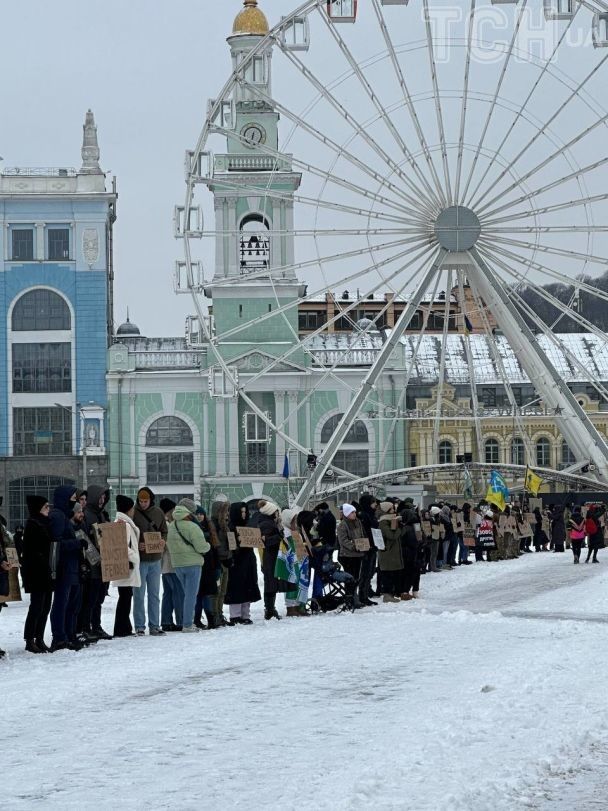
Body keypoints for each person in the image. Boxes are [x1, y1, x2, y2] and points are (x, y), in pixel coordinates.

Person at [49, 485, 87, 651]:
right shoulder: (57, 516)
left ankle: (69, 634)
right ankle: (60, 637)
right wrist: (76, 544)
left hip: (72, 567)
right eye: (72, 499)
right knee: (61, 604)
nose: (74, 502)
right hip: (64, 568)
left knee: (72, 604)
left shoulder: (64, 516)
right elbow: (55, 544)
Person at [167, 499, 210, 632]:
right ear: (189, 512)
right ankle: (187, 624)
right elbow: (202, 547)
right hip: (192, 564)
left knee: (186, 594)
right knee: (191, 595)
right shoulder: (192, 526)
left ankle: (186, 621)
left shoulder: (171, 526)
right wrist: (208, 546)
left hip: (177, 564)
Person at [132, 487, 167, 636]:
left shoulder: (158, 512)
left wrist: (162, 541)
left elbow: (164, 531)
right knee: (139, 595)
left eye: (145, 501)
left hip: (155, 560)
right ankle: (140, 626)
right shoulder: (133, 513)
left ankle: (154, 625)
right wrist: (136, 544)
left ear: (150, 500)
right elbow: (128, 534)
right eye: (141, 501)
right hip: (140, 560)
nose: (143, 504)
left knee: (154, 594)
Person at [22, 496, 55, 653]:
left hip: (46, 572)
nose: (48, 509)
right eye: (46, 507)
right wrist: (43, 561)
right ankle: (30, 640)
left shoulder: (45, 523)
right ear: (38, 509)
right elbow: (31, 551)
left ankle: (39, 638)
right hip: (36, 573)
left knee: (45, 606)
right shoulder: (33, 524)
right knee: (36, 606)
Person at [80, 484, 113, 641]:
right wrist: (95, 559)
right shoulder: (87, 515)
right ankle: (86, 628)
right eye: (100, 497)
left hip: (104, 564)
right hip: (93, 565)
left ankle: (96, 626)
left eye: (104, 497)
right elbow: (84, 540)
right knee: (90, 599)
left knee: (99, 598)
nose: (102, 500)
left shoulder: (102, 515)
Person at [224, 502, 261, 625]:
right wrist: (238, 545)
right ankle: (235, 615)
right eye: (241, 512)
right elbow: (230, 545)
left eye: (245, 512)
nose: (244, 514)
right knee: (236, 587)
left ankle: (245, 614)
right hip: (236, 561)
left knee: (248, 585)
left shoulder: (248, 525)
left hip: (248, 559)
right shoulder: (231, 527)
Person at [112, 495, 141, 637]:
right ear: (129, 509)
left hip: (123, 565)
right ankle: (121, 628)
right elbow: (123, 545)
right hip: (126, 566)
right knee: (125, 598)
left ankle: (124, 626)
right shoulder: (125, 524)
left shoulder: (120, 521)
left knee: (125, 597)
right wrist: (135, 557)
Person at [252, 501, 283, 621]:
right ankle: (270, 609)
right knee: (270, 582)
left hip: (270, 556)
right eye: (276, 511)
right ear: (271, 512)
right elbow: (266, 541)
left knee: (271, 582)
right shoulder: (267, 523)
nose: (278, 514)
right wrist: (279, 536)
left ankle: (270, 607)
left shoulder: (268, 522)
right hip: (270, 557)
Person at [159, 498, 183, 632]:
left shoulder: (164, 523)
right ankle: (180, 620)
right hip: (172, 564)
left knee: (167, 593)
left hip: (165, 565)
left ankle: (166, 621)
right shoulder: (168, 525)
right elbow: (170, 544)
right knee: (178, 592)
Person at [193, 505, 218, 629]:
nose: (199, 516)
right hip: (198, 564)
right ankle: (197, 619)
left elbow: (215, 549)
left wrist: (217, 566)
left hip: (209, 566)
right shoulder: (193, 528)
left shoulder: (210, 528)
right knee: (198, 594)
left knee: (207, 594)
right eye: (197, 514)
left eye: (201, 514)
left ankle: (211, 619)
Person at [209, 500, 233, 626]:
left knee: (223, 591)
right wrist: (225, 556)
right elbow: (217, 545)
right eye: (225, 511)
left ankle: (220, 613)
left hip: (225, 562)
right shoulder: (213, 525)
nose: (227, 513)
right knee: (216, 591)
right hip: (218, 562)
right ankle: (215, 615)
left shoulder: (224, 524)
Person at [336, 504, 366, 597]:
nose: (354, 514)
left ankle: (354, 596)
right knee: (349, 577)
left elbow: (362, 535)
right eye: (352, 512)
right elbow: (343, 540)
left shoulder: (358, 522)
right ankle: (350, 597)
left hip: (358, 554)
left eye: (355, 512)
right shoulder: (342, 525)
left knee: (356, 577)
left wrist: (364, 544)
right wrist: (354, 546)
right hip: (347, 555)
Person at [377, 502, 403, 603]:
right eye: (392, 509)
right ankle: (387, 595)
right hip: (388, 553)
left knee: (392, 574)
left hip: (392, 553)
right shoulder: (383, 522)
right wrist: (399, 528)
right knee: (388, 574)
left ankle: (390, 594)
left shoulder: (390, 520)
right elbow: (391, 536)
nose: (394, 510)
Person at [357, 493, 379, 605]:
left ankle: (365, 594)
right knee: (365, 572)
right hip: (366, 547)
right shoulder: (364, 516)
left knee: (369, 572)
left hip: (373, 546)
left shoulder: (370, 514)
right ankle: (362, 595)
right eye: (373, 502)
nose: (375, 504)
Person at [401, 508, 423, 599]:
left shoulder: (405, 528)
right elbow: (421, 539)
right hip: (417, 551)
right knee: (416, 572)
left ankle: (406, 590)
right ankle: (415, 590)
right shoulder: (417, 526)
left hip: (407, 552)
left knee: (407, 572)